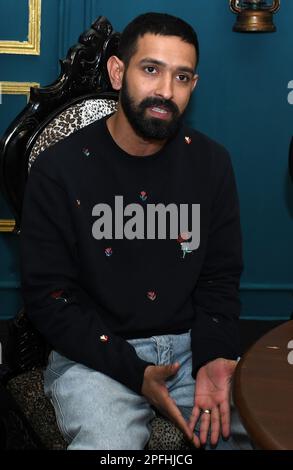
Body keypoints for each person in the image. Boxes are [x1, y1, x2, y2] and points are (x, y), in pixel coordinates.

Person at [20, 12, 252, 450]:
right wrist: (133, 371)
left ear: (193, 87)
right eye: (151, 70)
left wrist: (216, 354)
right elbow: (49, 297)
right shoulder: (60, 171)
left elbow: (220, 276)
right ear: (117, 72)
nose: (166, 91)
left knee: (259, 426)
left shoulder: (211, 164)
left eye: (181, 77)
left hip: (189, 348)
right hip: (91, 356)